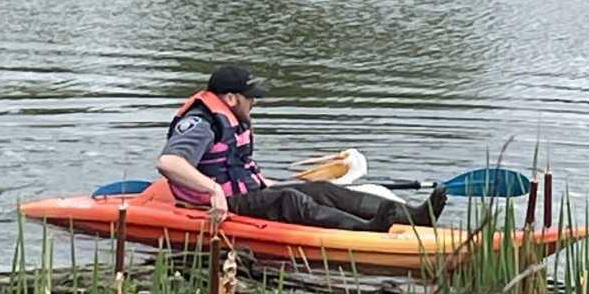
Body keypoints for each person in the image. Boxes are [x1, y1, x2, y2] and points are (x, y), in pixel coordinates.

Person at [156, 63, 447, 233]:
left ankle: (413, 216)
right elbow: (169, 163)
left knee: (322, 190)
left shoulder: (230, 116)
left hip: (246, 194)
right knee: (289, 200)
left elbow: (237, 167)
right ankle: (363, 231)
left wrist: (267, 183)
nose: (254, 102)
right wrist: (214, 190)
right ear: (230, 98)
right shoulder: (201, 123)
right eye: (250, 97)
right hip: (215, 205)